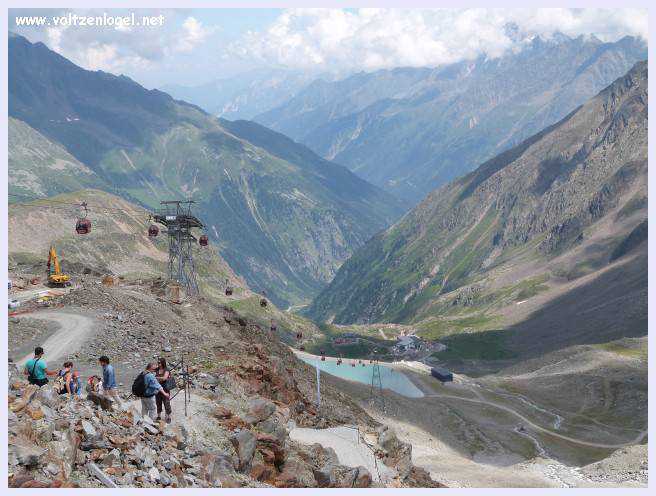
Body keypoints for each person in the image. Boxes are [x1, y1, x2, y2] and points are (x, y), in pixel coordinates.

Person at [155, 357, 173, 423]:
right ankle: (159, 416)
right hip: (158, 389)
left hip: (165, 389)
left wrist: (156, 378)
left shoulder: (166, 370)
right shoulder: (157, 369)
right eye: (158, 362)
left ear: (163, 363)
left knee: (166, 403)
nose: (158, 364)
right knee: (158, 402)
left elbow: (164, 378)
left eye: (159, 362)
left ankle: (168, 417)